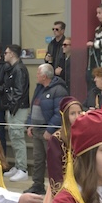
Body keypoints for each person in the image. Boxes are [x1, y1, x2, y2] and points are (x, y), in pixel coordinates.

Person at [25, 64, 67, 195]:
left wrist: (50, 130)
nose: (36, 75)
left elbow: (59, 113)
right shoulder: (39, 88)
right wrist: (30, 124)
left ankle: (56, 187)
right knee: (38, 159)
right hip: (37, 130)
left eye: (38, 73)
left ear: (44, 76)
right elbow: (34, 107)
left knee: (52, 160)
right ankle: (37, 185)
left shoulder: (59, 90)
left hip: (48, 132)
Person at [0, 44, 30, 183]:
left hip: (18, 108)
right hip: (13, 107)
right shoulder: (13, 69)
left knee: (17, 136)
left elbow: (19, 91)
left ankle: (22, 168)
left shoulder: (19, 69)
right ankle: (18, 165)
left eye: (6, 52)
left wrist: (12, 105)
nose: (4, 55)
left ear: (12, 54)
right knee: (14, 136)